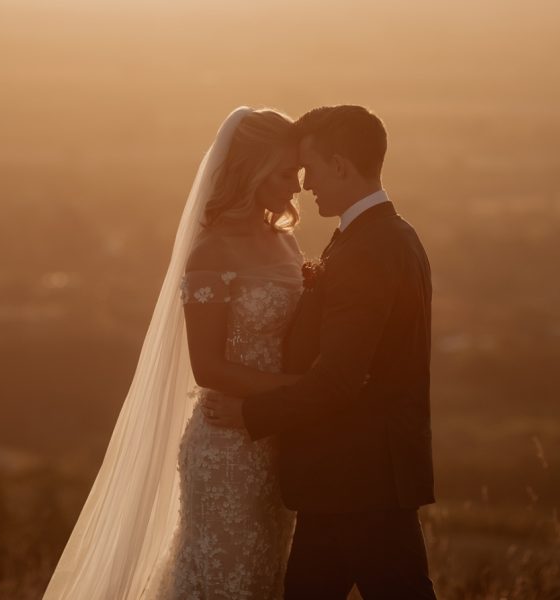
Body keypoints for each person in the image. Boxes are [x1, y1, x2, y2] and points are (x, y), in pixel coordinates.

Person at [43, 107, 306, 599]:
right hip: (227, 450)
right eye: (286, 173)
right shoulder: (211, 254)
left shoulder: (287, 246)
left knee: (263, 583)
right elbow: (208, 367)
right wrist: (302, 390)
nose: (297, 185)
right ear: (252, 172)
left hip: (276, 442)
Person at [204, 105, 438, 599]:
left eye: (309, 168)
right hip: (346, 479)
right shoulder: (393, 235)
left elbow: (337, 380)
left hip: (361, 482)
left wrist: (250, 412)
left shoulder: (367, 250)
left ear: (340, 166)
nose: (305, 185)